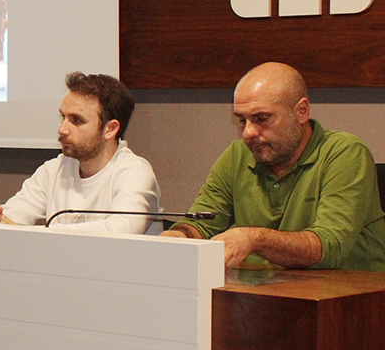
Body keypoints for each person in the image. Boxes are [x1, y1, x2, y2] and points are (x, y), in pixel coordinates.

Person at [161, 62, 385, 271]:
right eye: (242, 120)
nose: (248, 133)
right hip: (261, 294)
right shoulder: (237, 155)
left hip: (345, 295)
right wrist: (179, 237)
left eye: (262, 118)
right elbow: (201, 223)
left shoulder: (345, 153)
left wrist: (255, 239)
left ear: (301, 112)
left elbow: (330, 246)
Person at [0, 72, 160, 234]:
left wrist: (40, 233)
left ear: (110, 129)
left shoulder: (135, 172)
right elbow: (12, 217)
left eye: (76, 120)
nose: (62, 129)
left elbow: (121, 230)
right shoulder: (54, 169)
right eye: (63, 117)